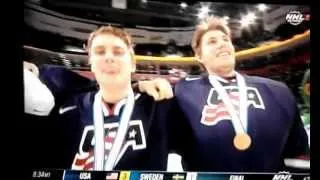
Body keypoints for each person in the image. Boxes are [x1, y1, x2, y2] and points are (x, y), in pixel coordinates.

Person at [166, 16, 309, 172]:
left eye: (226, 40)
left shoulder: (278, 91)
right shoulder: (183, 92)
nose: (222, 44)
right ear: (199, 56)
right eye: (212, 41)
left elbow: (298, 155)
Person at [24, 26, 174, 171]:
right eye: (100, 52)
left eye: (118, 52)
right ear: (91, 64)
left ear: (133, 64)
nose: (109, 57)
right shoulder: (66, 106)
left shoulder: (158, 105)